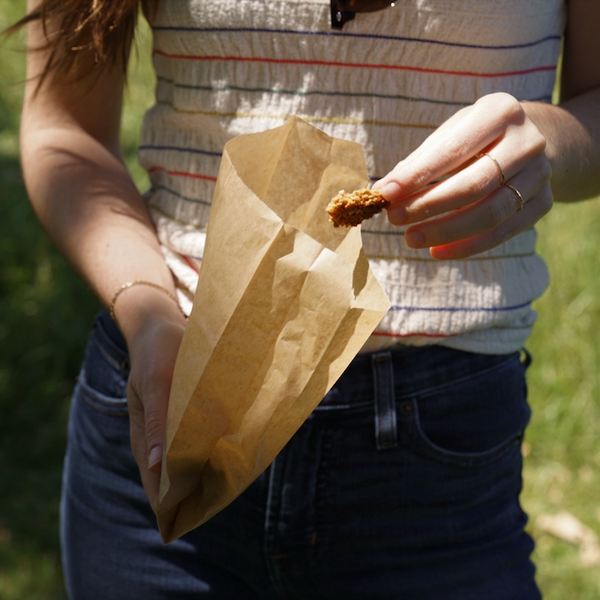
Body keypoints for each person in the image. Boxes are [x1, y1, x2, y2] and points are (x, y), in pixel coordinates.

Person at [17, 0, 600, 598]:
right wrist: (147, 312)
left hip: (437, 460)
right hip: (171, 407)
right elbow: (66, 129)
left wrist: (547, 144)